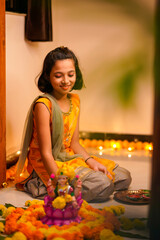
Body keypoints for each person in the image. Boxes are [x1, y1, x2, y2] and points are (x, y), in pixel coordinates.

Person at [16, 46, 131, 202]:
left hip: (69, 156)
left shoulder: (75, 100)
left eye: (71, 74)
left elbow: (74, 143)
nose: (66, 81)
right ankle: (41, 185)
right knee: (103, 184)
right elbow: (45, 154)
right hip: (49, 163)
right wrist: (59, 183)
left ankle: (93, 185)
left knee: (124, 177)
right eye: (58, 75)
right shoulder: (43, 105)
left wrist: (91, 162)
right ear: (48, 76)